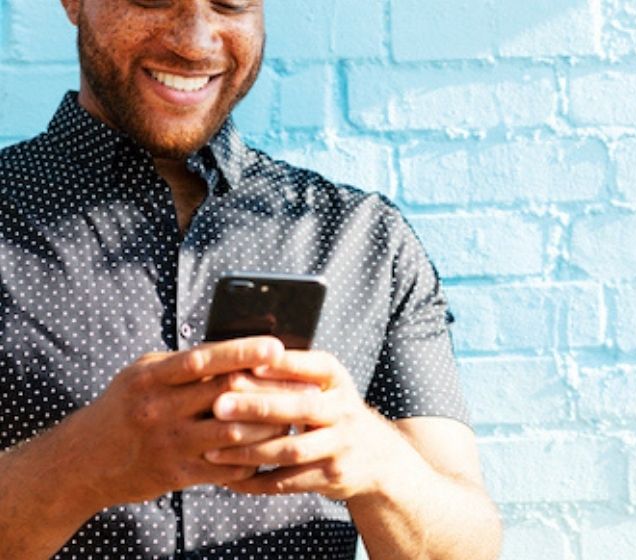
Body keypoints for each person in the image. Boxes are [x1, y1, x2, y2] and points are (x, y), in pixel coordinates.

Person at [0, 1, 502, 558]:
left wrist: (376, 460)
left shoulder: (368, 241)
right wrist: (80, 464)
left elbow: (466, 546)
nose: (194, 42)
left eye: (231, 1)